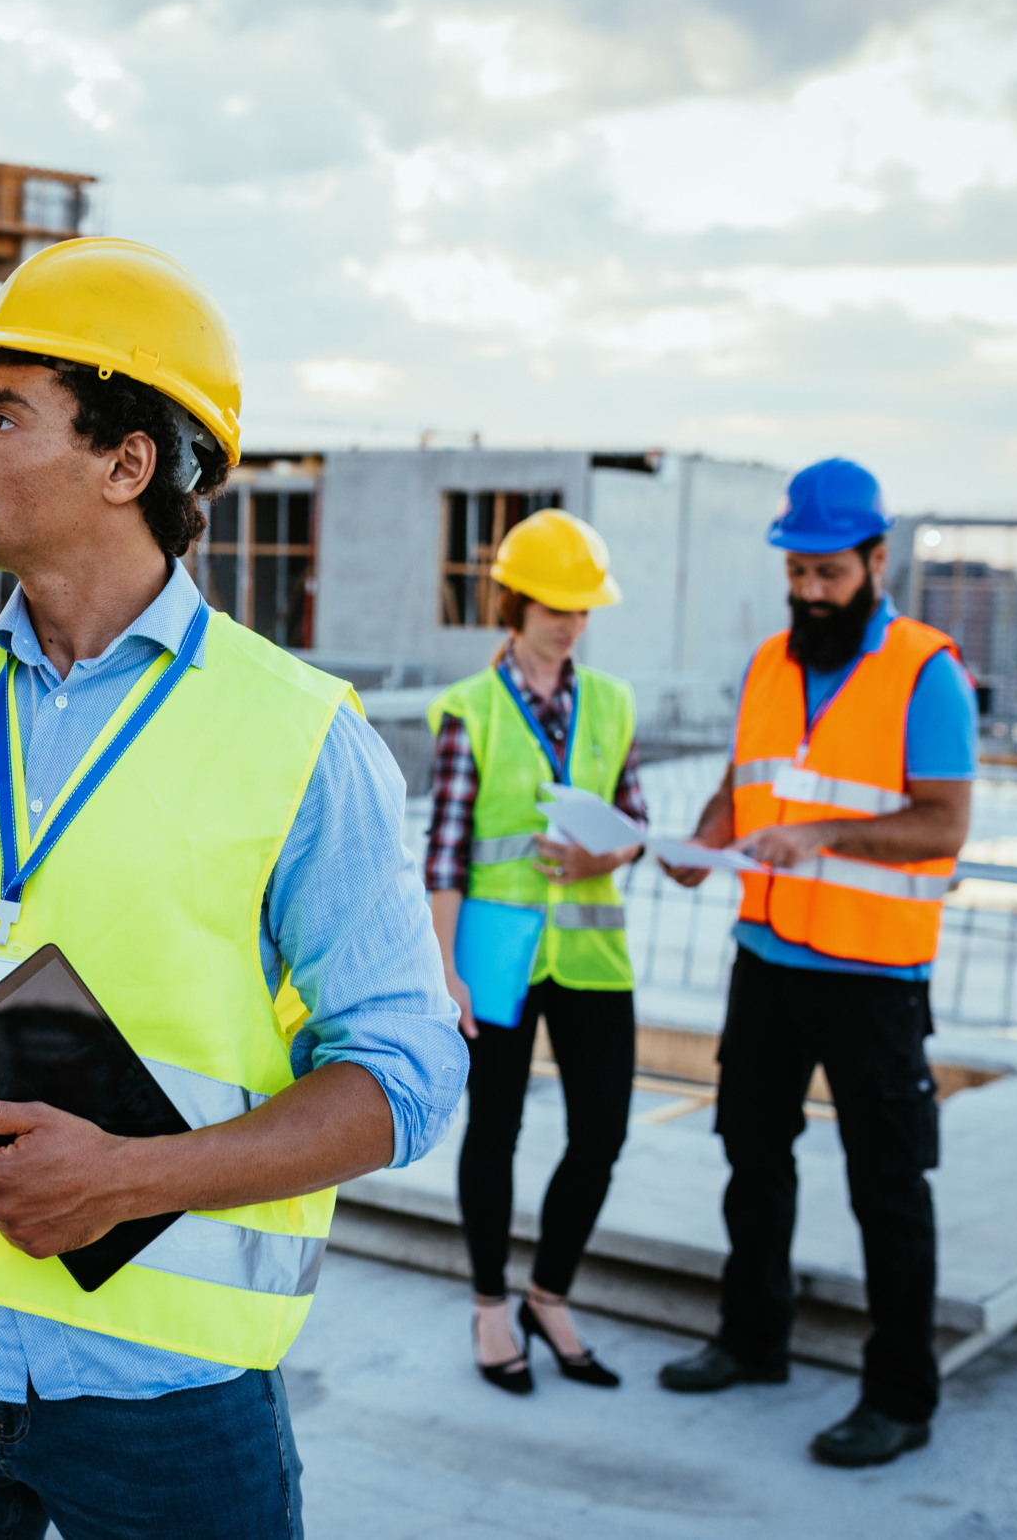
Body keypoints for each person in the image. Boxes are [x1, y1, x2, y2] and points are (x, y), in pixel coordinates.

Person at [0, 237, 465, 1540]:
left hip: (164, 1393)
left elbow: (405, 1076)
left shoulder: (304, 736)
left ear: (127, 463)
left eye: (1, 412)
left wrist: (133, 1174)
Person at [655, 457, 975, 1469]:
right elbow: (739, 788)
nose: (807, 591)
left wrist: (821, 838)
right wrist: (700, 842)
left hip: (874, 979)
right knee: (752, 1158)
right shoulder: (768, 664)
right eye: (795, 572)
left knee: (887, 1186)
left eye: (827, 573)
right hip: (765, 959)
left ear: (878, 562)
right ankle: (752, 1340)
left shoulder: (928, 673)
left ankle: (899, 1398)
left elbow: (940, 824)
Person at [424, 509, 646, 1395]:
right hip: (495, 952)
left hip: (591, 958)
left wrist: (610, 852)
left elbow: (635, 818)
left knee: (602, 1134)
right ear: (515, 602)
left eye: (584, 606)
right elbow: (444, 850)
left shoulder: (616, 704)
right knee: (497, 1130)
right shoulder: (468, 709)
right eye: (556, 603)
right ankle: (489, 1304)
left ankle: (548, 1295)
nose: (571, 620)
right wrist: (444, 969)